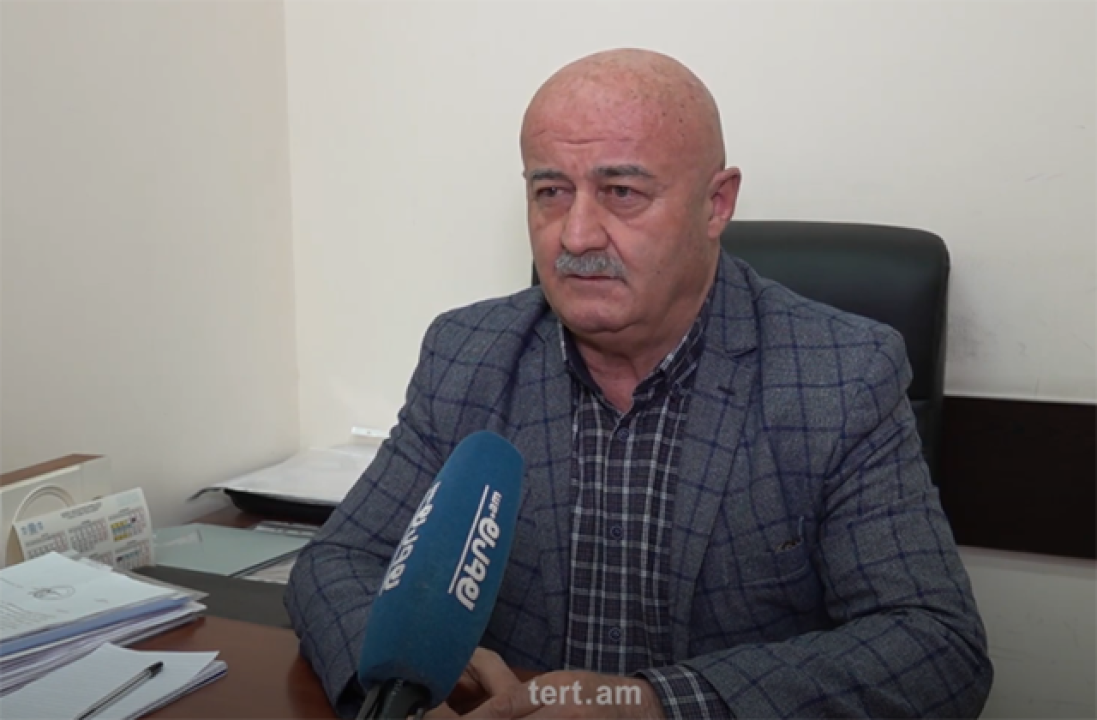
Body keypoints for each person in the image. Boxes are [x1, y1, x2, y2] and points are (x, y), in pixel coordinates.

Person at [285, 48, 993, 720]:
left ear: (716, 204)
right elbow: (339, 562)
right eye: (550, 192)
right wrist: (412, 682)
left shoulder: (839, 373)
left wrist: (656, 705)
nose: (575, 236)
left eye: (621, 192)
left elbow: (934, 645)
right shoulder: (469, 354)